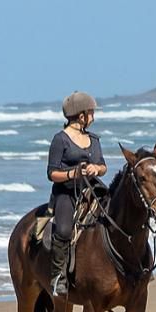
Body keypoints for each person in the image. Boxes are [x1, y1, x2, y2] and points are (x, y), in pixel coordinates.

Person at [45, 91, 108, 296]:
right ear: (81, 116)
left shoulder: (93, 139)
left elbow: (103, 166)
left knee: (120, 211)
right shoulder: (60, 140)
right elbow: (52, 173)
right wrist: (73, 173)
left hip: (93, 188)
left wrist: (96, 170)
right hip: (66, 192)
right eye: (91, 113)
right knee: (63, 230)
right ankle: (58, 278)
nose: (93, 117)